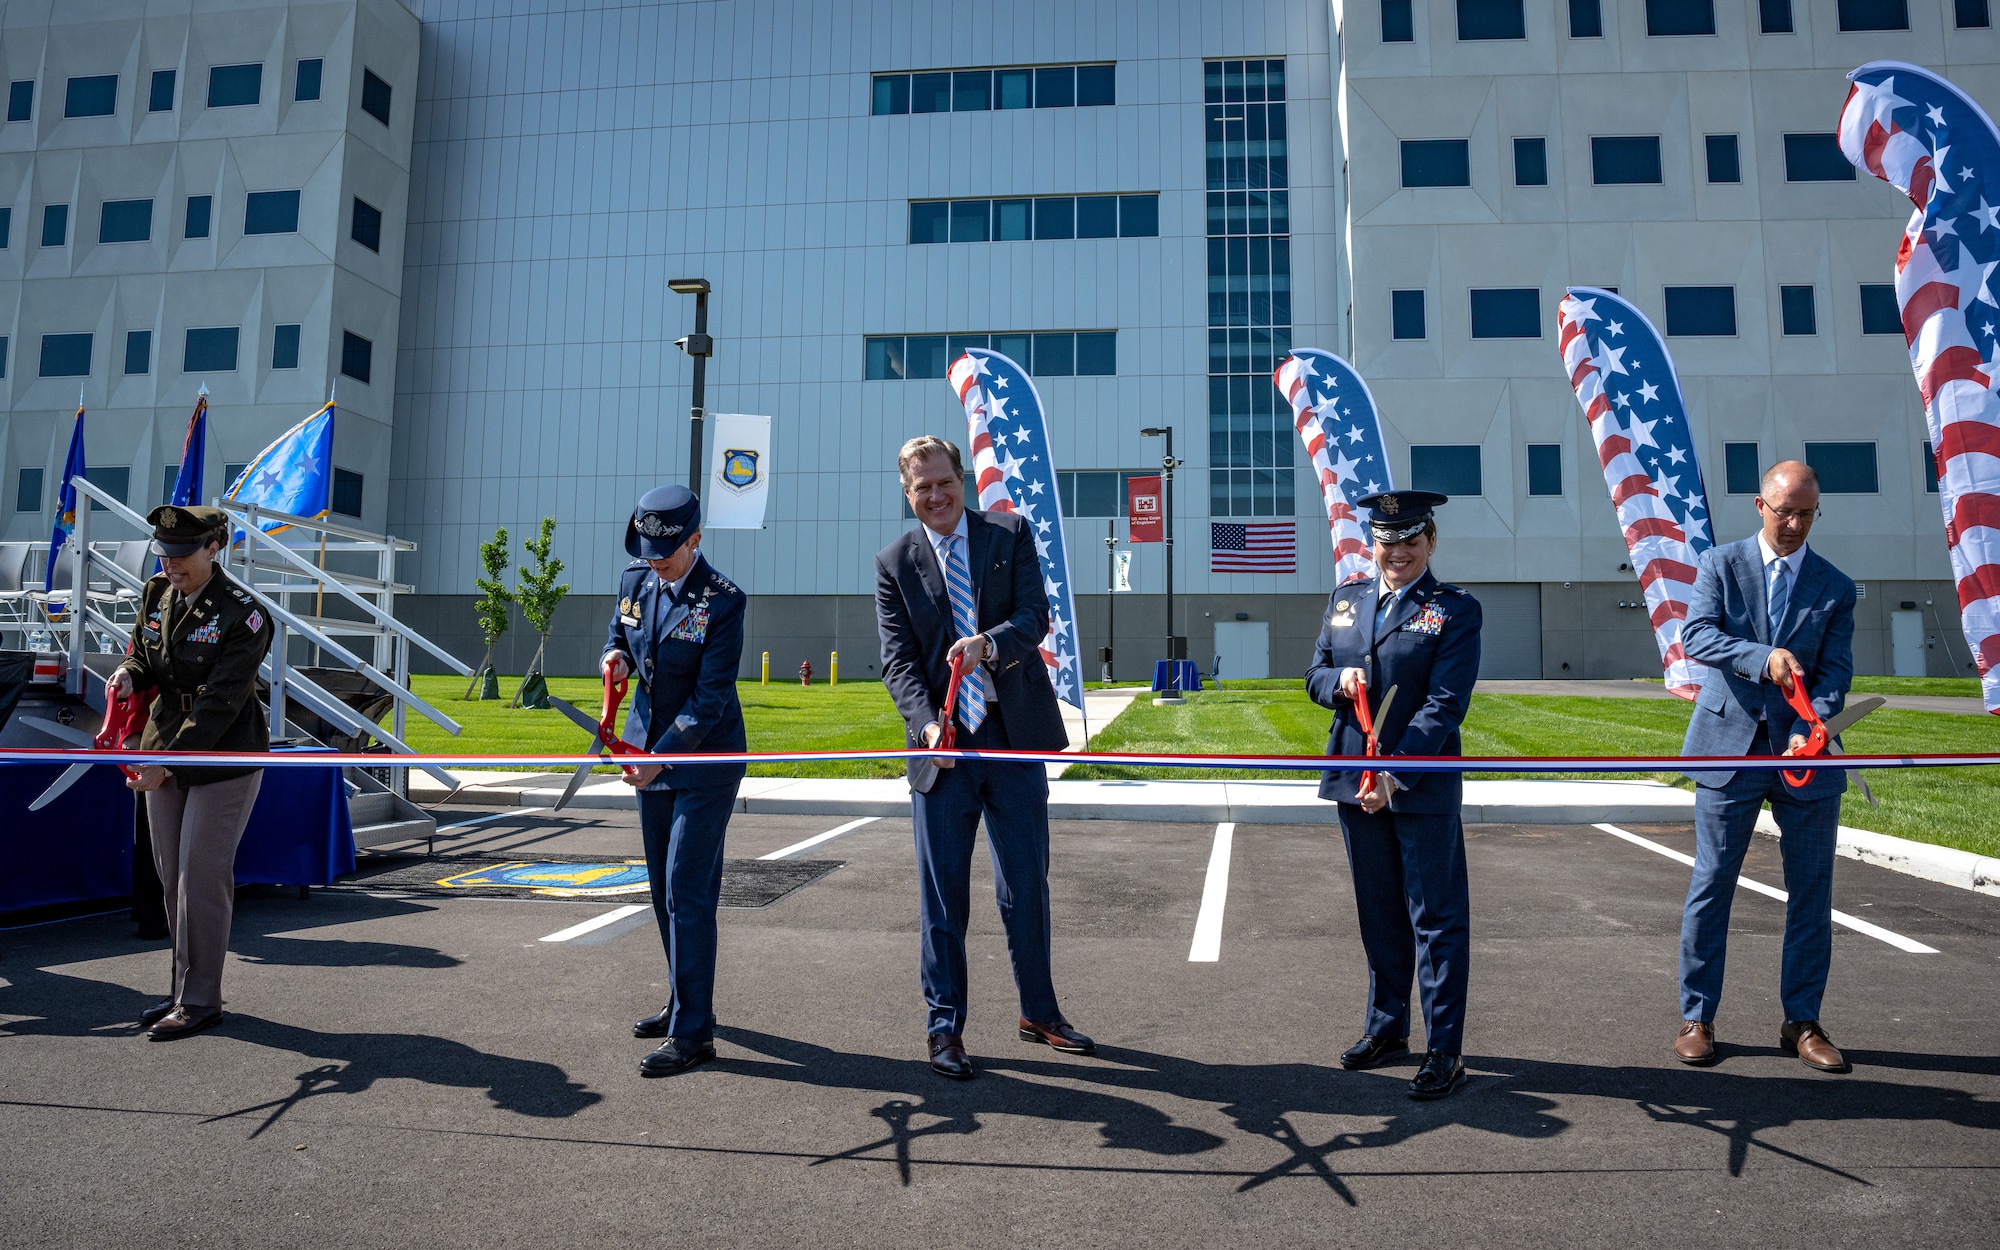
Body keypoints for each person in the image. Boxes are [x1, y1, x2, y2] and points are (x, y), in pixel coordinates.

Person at [875, 435, 1093, 1080]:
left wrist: (989, 646)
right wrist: (924, 726)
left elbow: (1035, 616)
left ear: (960, 481)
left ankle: (1040, 1012)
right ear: (907, 493)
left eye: (943, 482)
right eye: (922, 488)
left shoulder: (1008, 534)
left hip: (1015, 738)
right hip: (944, 756)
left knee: (1025, 885)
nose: (935, 496)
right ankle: (945, 1029)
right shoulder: (894, 562)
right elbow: (897, 661)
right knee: (943, 899)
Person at [1673, 461, 1857, 1073]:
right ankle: (1697, 1017)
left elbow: (1834, 671)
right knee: (1712, 884)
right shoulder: (1720, 566)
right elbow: (1696, 635)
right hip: (1729, 749)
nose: (1796, 524)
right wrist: (1762, 657)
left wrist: (1817, 721)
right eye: (1785, 513)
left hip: (1804, 758)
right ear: (1760, 506)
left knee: (1811, 892)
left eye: (1807, 514)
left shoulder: (1835, 585)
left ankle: (1802, 1022)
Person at [1304, 490, 1482, 1100]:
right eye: (1386, 540)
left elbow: (1445, 705)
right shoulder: (1347, 599)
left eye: (1410, 540)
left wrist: (1394, 773)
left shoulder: (1454, 610)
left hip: (1418, 784)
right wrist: (1337, 681)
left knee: (1434, 919)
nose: (1397, 552)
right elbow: (1313, 674)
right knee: (1378, 913)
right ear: (1371, 543)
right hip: (1356, 780)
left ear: (1430, 541)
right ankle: (1387, 1029)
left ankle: (1445, 1049)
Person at [110, 505, 275, 1041]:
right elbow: (143, 651)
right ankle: (184, 991)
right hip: (165, 741)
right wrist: (129, 674)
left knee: (200, 876)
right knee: (171, 875)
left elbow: (220, 704)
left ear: (214, 547)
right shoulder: (157, 591)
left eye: (182, 555)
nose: (171, 564)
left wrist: (166, 762)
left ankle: (201, 1000)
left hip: (223, 752)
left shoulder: (244, 614)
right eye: (165, 553)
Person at [602, 485, 747, 1077]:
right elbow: (623, 637)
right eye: (647, 548)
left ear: (696, 539)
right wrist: (614, 657)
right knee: (662, 887)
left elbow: (710, 699)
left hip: (704, 759)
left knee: (687, 887)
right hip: (649, 754)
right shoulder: (635, 581)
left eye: (667, 550)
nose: (655, 559)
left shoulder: (724, 601)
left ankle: (694, 1034)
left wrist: (659, 756)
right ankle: (681, 999)